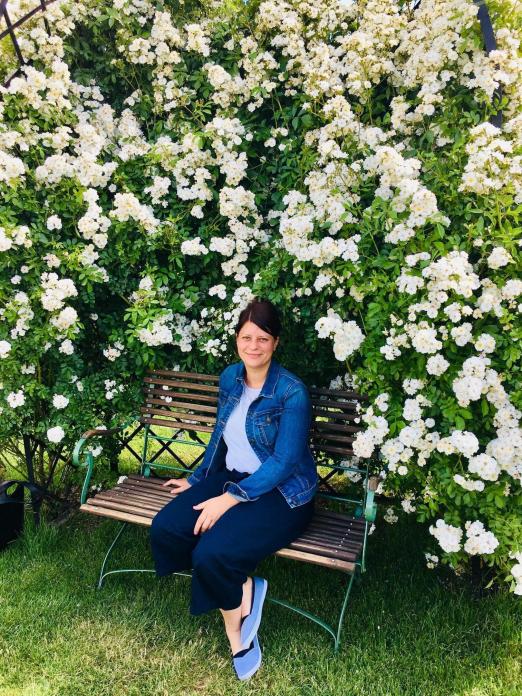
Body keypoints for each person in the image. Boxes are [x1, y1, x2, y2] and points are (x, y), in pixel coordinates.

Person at [150, 298, 317, 680]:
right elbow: (220, 435)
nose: (253, 346)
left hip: (284, 494)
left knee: (212, 554)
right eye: (246, 337)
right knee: (167, 529)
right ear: (237, 339)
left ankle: (237, 636)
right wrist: (197, 479)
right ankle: (243, 585)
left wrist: (228, 499)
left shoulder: (291, 392)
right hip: (232, 475)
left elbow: (284, 462)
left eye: (263, 339)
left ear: (275, 343)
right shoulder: (230, 377)